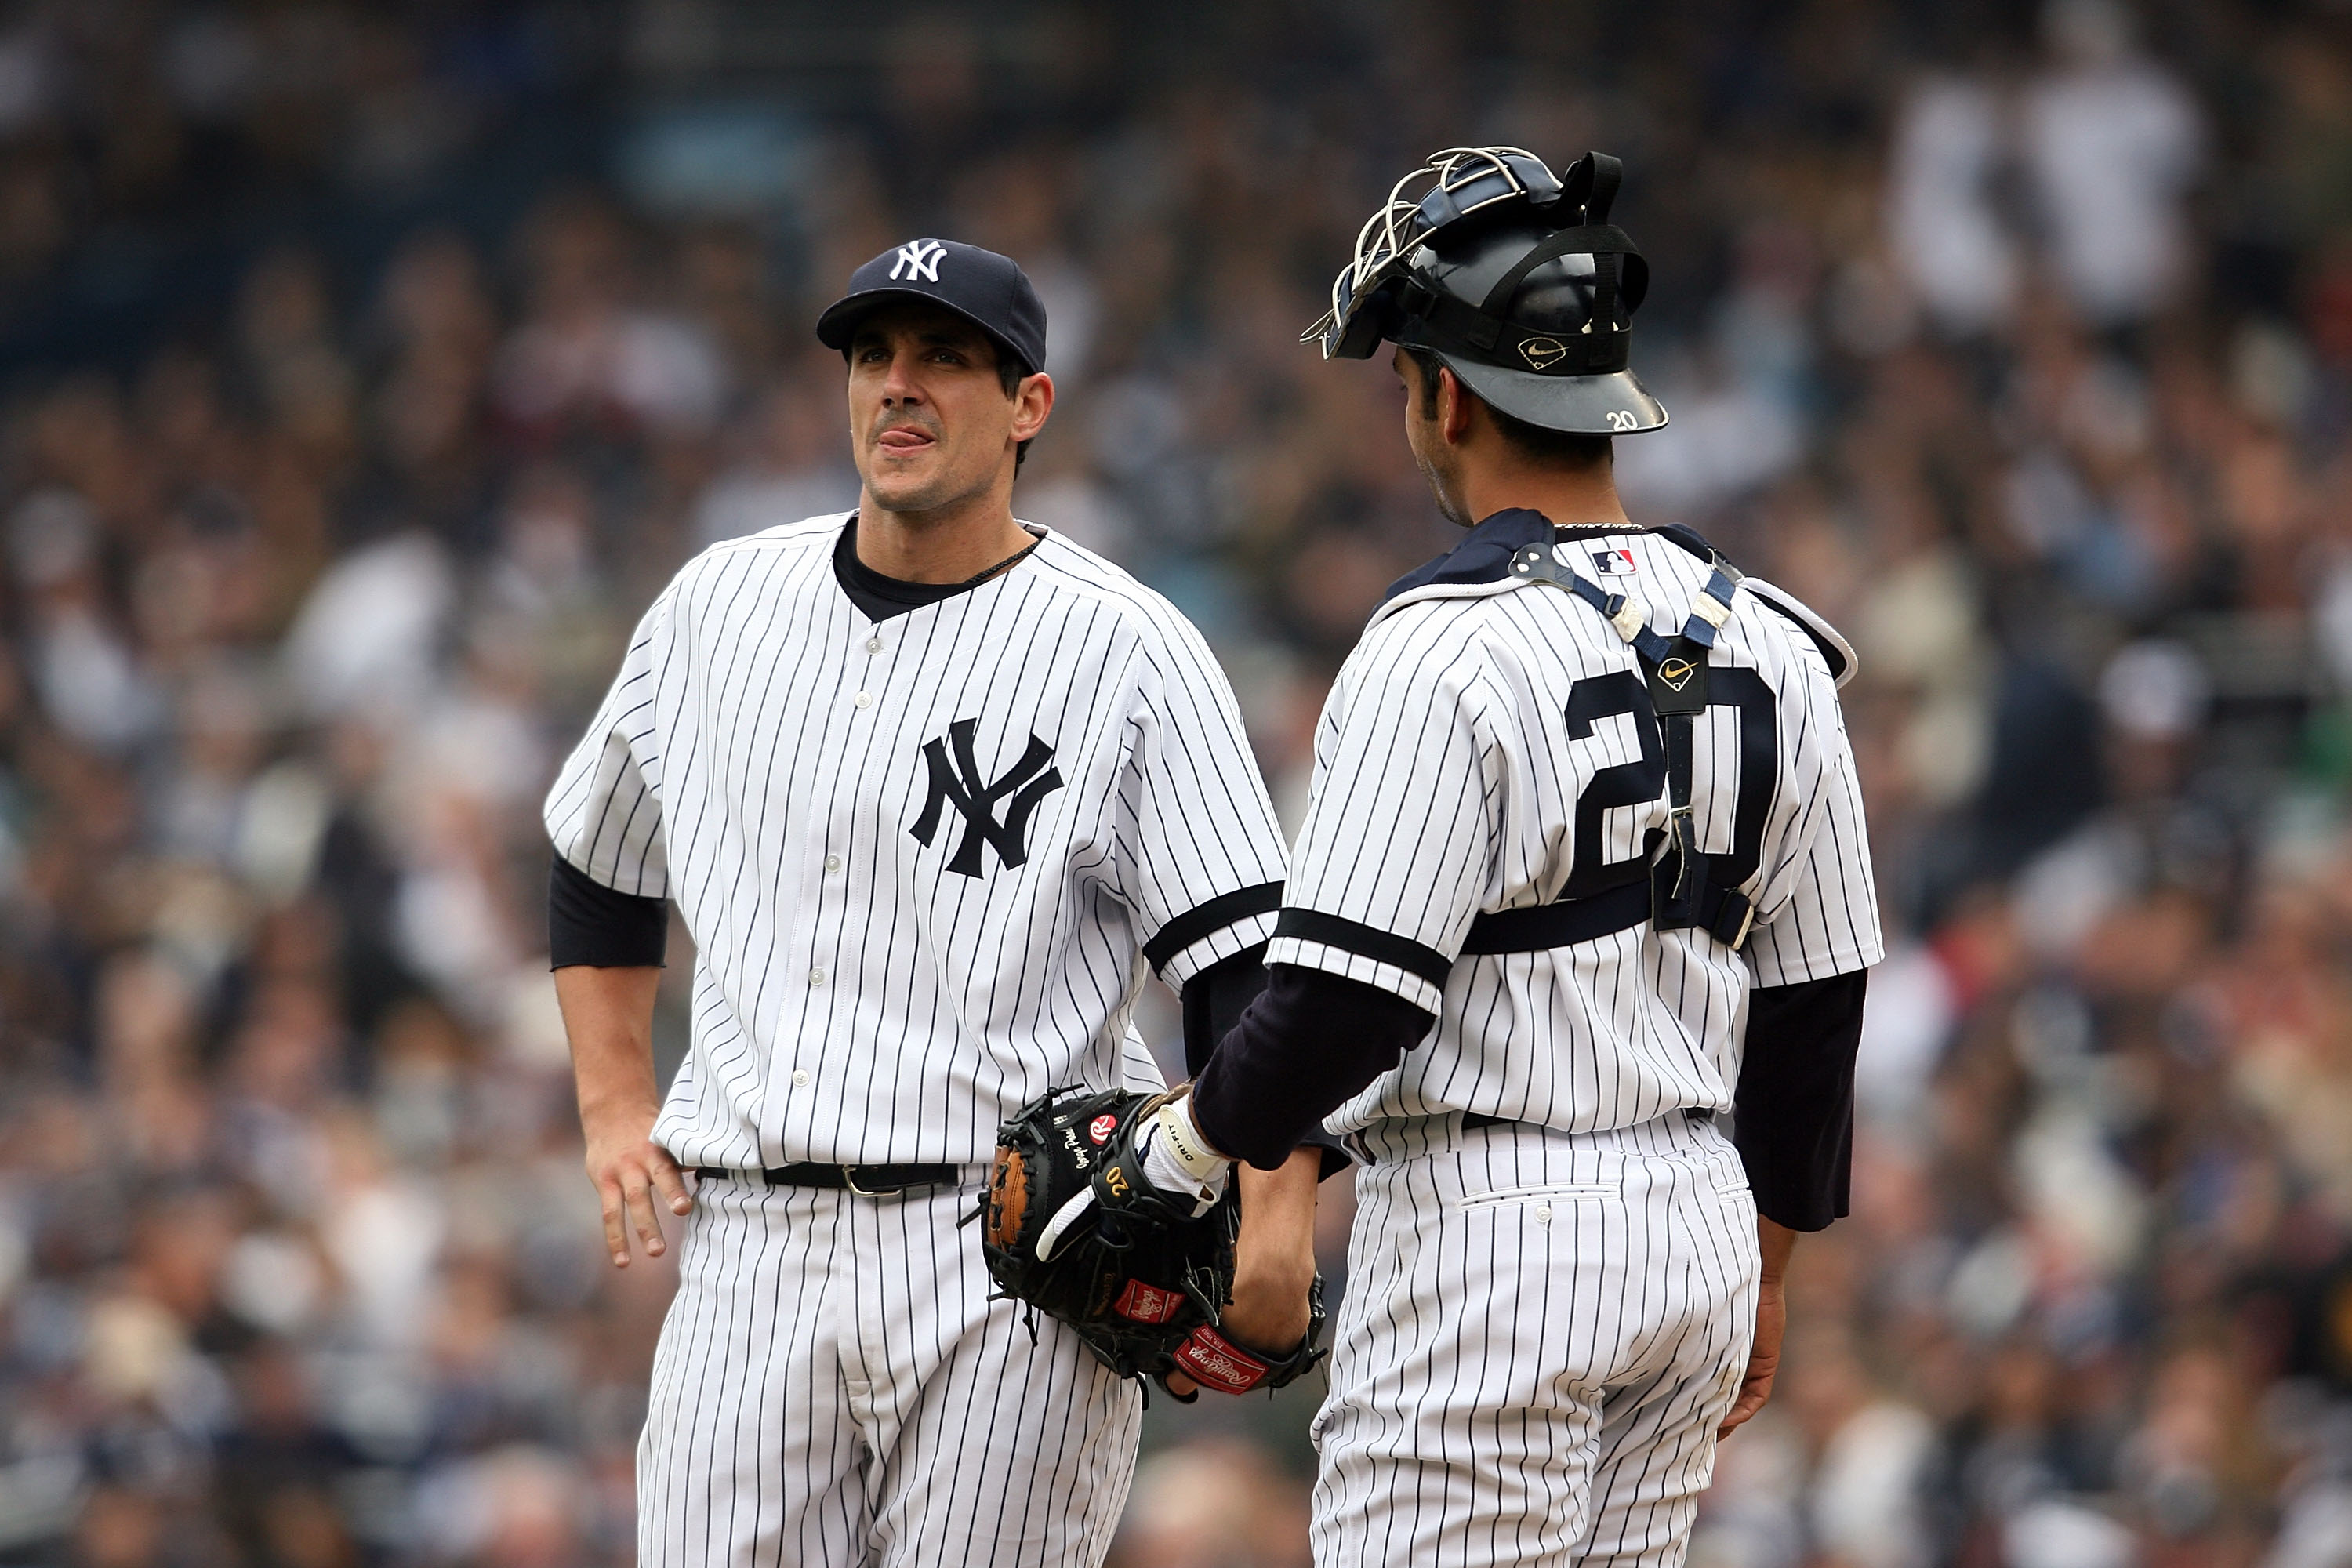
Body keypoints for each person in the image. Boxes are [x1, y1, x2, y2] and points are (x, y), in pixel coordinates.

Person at [1122, 148, 1884, 1565]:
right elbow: (1814, 1008)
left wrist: (1177, 1150)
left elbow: (1344, 1003)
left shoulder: (1439, 645)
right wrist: (1769, 1274)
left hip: (1495, 1238)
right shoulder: (1778, 641)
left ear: (1447, 393)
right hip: (1699, 1232)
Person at [543, 238, 1323, 1568]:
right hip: (752, 1244)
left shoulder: (1126, 646)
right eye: (873, 357)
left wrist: (1280, 1219)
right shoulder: (714, 608)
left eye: (946, 360)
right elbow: (600, 860)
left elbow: (1243, 967)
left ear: (1029, 406)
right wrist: (616, 1105)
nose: (898, 388)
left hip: (1005, 1258)